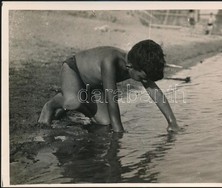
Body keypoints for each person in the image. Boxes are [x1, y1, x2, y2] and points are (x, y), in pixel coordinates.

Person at [38, 40, 180, 133]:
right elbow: (112, 100)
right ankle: (51, 105)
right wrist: (119, 133)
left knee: (105, 123)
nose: (145, 81)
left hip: (94, 84)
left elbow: (156, 93)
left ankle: (71, 101)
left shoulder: (136, 65)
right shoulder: (110, 61)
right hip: (73, 70)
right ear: (130, 66)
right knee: (74, 101)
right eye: (143, 78)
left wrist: (172, 122)